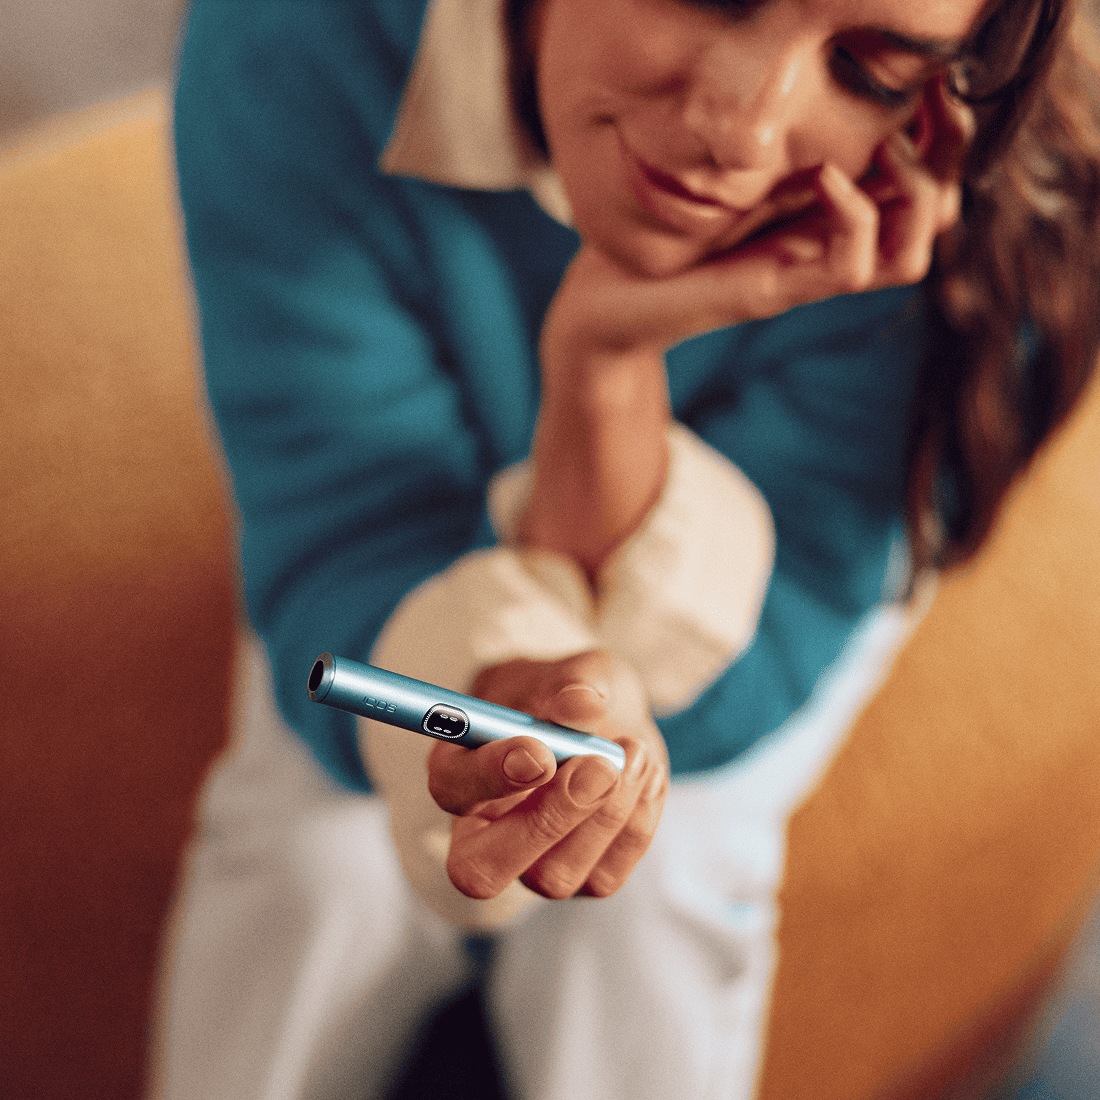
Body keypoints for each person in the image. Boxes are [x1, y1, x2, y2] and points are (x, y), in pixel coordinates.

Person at [152, 0, 1100, 1098]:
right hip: (420, 518)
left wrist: (604, 367)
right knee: (302, 864)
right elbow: (342, 538)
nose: (739, 133)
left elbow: (766, 639)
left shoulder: (966, 198)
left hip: (733, 578)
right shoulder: (293, 38)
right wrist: (498, 686)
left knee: (663, 879)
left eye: (868, 68)